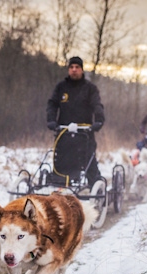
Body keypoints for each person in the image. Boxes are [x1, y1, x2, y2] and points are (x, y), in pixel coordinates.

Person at [46, 56, 105, 187]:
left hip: (85, 134)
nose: (74, 70)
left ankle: (95, 189)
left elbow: (97, 105)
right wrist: (51, 120)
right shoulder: (61, 87)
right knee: (60, 163)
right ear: (68, 70)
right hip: (63, 133)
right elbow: (52, 104)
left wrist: (99, 121)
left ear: (82, 70)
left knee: (89, 164)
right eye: (71, 67)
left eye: (77, 67)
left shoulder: (90, 88)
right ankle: (59, 187)